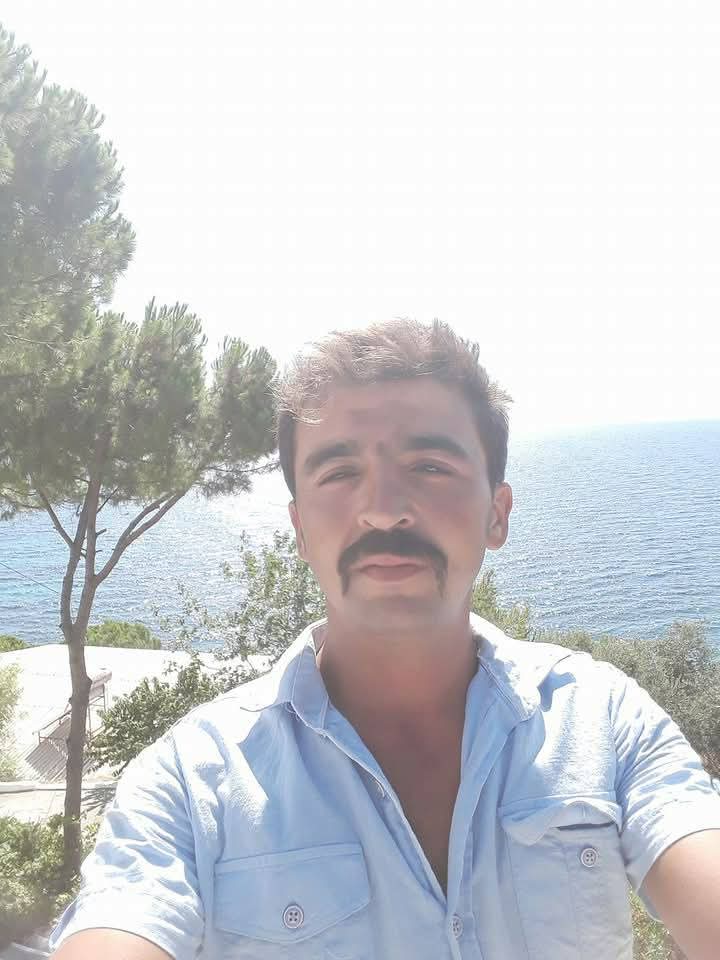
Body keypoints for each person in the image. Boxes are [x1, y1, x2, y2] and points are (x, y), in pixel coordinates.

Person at [50, 319, 720, 960]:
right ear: (300, 530)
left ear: (497, 513)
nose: (383, 509)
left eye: (429, 465)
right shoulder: (191, 784)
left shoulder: (604, 722)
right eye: (339, 473)